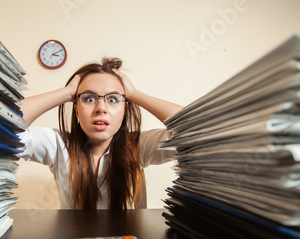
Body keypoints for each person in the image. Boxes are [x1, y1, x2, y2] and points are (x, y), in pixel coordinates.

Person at [19, 57, 183, 210]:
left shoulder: (139, 145)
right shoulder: (58, 145)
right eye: (89, 99)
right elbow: (5, 123)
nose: (101, 108)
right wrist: (67, 92)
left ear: (124, 110)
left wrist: (134, 94)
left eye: (112, 99)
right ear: (76, 110)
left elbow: (193, 130)